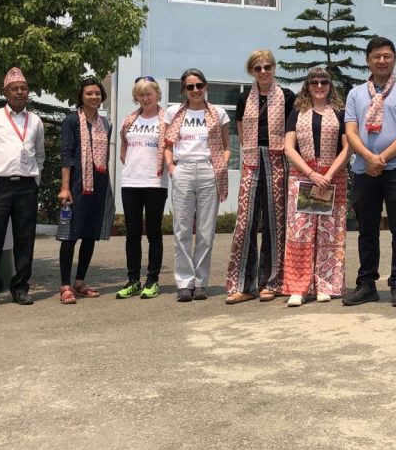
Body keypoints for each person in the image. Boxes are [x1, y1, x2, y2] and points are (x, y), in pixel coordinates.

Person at [343, 36, 396, 307]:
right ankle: (366, 284)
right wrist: (368, 158)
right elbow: (350, 132)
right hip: (364, 169)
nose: (382, 60)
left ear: (394, 59)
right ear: (368, 61)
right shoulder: (355, 94)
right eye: (376, 56)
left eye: (387, 55)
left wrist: (382, 158)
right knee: (367, 229)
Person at [226, 50, 296, 304]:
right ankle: (243, 284)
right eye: (258, 68)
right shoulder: (244, 98)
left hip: (278, 159)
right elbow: (241, 132)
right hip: (252, 160)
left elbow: (293, 131)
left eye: (268, 66)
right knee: (245, 224)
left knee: (275, 223)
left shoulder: (287, 96)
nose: (264, 71)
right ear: (251, 72)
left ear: (274, 68)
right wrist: (250, 156)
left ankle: (273, 282)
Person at [0, 67, 45, 309]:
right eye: (14, 89)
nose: (19, 92)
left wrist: (34, 179)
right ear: (5, 92)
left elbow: (41, 154)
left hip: (26, 187)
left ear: (28, 92)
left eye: (23, 88)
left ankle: (21, 288)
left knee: (25, 240)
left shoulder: (35, 121)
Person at [281, 67, 350, 307]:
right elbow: (289, 147)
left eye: (323, 82)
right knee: (300, 233)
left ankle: (326, 284)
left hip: (333, 178)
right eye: (314, 83)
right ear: (307, 86)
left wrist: (328, 174)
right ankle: (298, 287)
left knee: (330, 234)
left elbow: (347, 147)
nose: (319, 86)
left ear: (330, 86)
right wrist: (312, 174)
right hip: (303, 176)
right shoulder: (297, 112)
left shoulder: (339, 113)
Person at [164, 69, 230, 302]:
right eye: (190, 86)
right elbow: (168, 144)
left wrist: (220, 166)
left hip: (207, 169)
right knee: (182, 229)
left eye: (199, 85)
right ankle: (184, 282)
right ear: (183, 90)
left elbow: (226, 145)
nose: (195, 90)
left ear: (206, 87)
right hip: (183, 169)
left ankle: (200, 282)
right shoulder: (173, 113)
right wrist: (171, 167)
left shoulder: (218, 113)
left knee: (205, 230)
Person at [57, 77, 116, 304]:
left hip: (99, 184)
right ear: (81, 97)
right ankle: (65, 285)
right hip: (77, 185)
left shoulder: (105, 124)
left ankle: (80, 281)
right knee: (70, 235)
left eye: (97, 93)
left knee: (90, 234)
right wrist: (65, 187)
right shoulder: (71, 121)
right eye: (89, 93)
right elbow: (67, 155)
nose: (94, 97)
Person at [116, 77, 168, 300]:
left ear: (157, 94)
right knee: (132, 233)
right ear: (136, 97)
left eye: (149, 93)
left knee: (154, 233)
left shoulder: (166, 119)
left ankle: (153, 280)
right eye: (141, 94)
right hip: (131, 182)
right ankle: (133, 280)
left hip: (155, 182)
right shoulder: (130, 119)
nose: (145, 98)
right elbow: (123, 149)